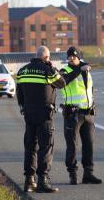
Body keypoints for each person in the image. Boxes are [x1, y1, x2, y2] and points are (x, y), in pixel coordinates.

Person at [16, 46, 66, 193]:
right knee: (45, 147)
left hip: (28, 113)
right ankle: (43, 181)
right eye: (49, 58)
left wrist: (24, 107)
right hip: (44, 114)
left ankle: (29, 181)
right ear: (46, 58)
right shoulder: (48, 71)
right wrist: (53, 68)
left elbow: (19, 92)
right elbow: (62, 83)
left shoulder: (22, 71)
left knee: (30, 146)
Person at [59, 46, 102, 185]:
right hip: (73, 114)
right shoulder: (65, 70)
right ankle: (73, 174)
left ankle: (88, 174)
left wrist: (93, 104)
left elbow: (89, 89)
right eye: (69, 56)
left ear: (79, 57)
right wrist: (80, 69)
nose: (71, 58)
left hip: (88, 113)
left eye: (74, 56)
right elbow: (63, 82)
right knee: (72, 146)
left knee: (89, 145)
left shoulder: (85, 70)